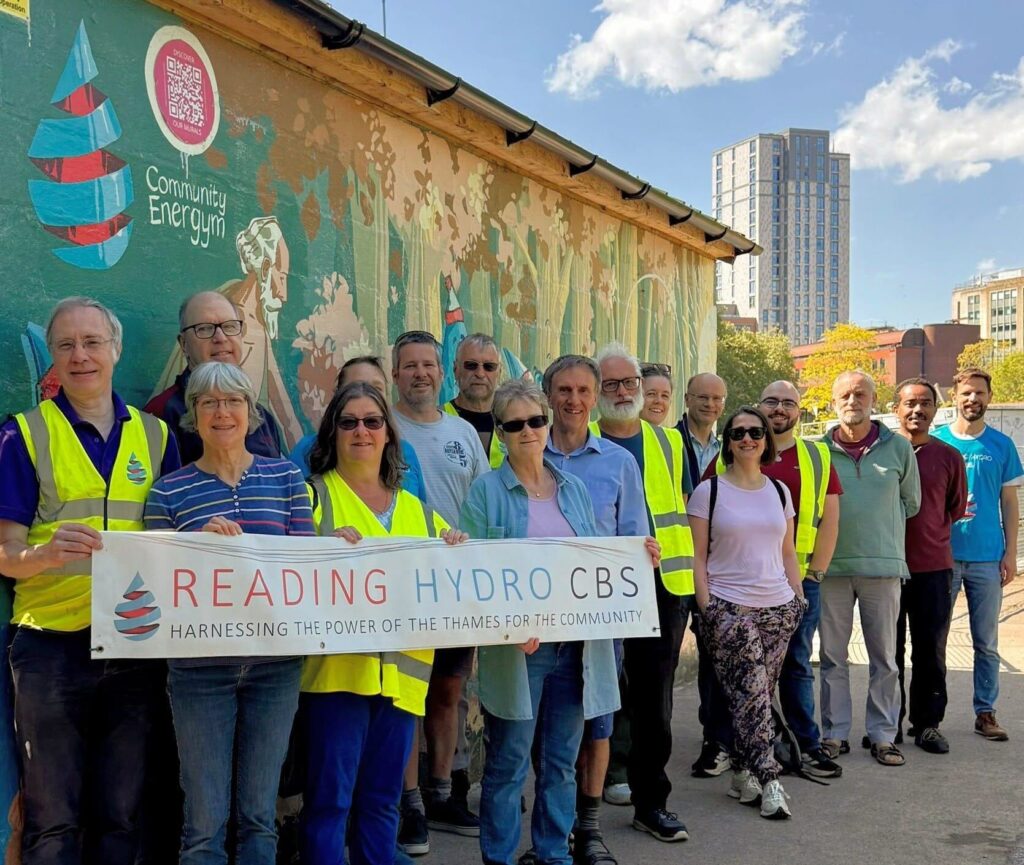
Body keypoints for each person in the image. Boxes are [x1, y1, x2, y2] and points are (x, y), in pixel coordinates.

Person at [0, 297, 180, 864]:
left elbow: (179, 542)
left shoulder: (157, 437)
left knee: (122, 814)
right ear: (53, 355)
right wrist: (45, 554)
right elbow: (5, 553)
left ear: (116, 349)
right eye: (67, 345)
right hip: (51, 643)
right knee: (52, 818)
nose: (80, 356)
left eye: (92, 342)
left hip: (134, 644)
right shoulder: (22, 435)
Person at [461, 379, 658, 865]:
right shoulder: (486, 491)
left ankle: (553, 854)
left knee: (561, 763)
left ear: (547, 423)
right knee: (507, 763)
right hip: (518, 652)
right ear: (501, 433)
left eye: (535, 420)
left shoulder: (571, 488)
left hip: (577, 648)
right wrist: (509, 627)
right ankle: (500, 858)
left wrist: (635, 557)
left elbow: (590, 559)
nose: (528, 431)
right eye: (514, 424)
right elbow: (473, 577)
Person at [143, 362, 313, 863]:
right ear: (193, 415)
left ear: (252, 413)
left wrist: (336, 547)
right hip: (198, 673)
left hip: (275, 669)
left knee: (260, 818)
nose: (223, 412)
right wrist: (190, 545)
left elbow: (306, 569)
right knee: (203, 823)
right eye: (209, 403)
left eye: (234, 400)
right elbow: (154, 578)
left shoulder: (286, 478)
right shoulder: (167, 491)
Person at [301, 381, 466, 864]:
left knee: (381, 801)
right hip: (337, 677)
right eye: (348, 422)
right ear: (332, 433)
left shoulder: (415, 508)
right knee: (330, 801)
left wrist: (456, 545)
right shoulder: (312, 497)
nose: (361, 431)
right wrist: (318, 548)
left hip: (402, 679)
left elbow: (459, 581)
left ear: (388, 435)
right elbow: (283, 571)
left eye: (373, 421)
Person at [542, 355, 650, 865]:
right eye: (564, 390)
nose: (574, 400)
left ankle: (588, 829)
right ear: (549, 396)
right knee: (550, 734)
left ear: (595, 396)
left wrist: (643, 553)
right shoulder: (525, 453)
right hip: (539, 623)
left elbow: (634, 532)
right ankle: (555, 832)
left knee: (599, 723)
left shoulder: (619, 462)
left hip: (600, 617)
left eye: (583, 390)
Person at [389, 331, 489, 851]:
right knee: (408, 694)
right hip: (403, 582)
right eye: (409, 365)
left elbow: (483, 500)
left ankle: (444, 790)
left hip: (455, 583)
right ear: (395, 373)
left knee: (449, 690)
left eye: (428, 364)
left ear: (441, 371)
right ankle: (409, 804)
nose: (420, 374)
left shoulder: (463, 434)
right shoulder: (380, 428)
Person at [589, 343, 692, 843]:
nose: (624, 391)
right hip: (593, 588)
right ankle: (578, 812)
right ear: (596, 392)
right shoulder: (573, 441)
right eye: (611, 384)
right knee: (589, 695)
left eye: (629, 382)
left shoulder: (669, 443)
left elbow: (689, 509)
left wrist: (696, 584)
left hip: (662, 584)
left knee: (655, 702)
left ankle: (652, 802)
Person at [689, 405, 805, 819]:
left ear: (766, 440)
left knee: (753, 696)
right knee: (754, 692)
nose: (747, 439)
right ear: (728, 442)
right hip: (729, 607)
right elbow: (696, 557)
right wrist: (708, 608)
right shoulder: (710, 492)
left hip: (778, 607)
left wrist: (797, 598)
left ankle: (742, 770)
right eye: (737, 433)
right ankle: (770, 778)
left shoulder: (779, 491)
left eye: (755, 432)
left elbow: (787, 550)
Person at [820, 371, 920, 766]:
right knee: (832, 656)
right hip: (832, 568)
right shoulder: (819, 451)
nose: (852, 400)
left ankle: (882, 735)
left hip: (882, 567)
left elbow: (911, 503)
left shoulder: (898, 449)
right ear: (832, 403)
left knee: (885, 658)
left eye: (860, 394)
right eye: (844, 394)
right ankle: (834, 734)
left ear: (873, 400)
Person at [756, 381, 843, 778]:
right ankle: (733, 743)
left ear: (799, 411)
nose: (779, 409)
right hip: (744, 580)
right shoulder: (741, 446)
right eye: (771, 401)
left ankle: (805, 742)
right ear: (760, 406)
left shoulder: (817, 456)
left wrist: (817, 573)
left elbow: (830, 519)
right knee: (741, 665)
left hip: (798, 580)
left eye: (788, 403)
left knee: (795, 663)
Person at [933, 367, 1021, 742]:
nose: (973, 399)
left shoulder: (1001, 446)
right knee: (934, 639)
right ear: (955, 396)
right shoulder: (935, 442)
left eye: (980, 393)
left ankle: (985, 712)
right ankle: (929, 716)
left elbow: (1009, 503)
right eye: (966, 393)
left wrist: (1010, 554)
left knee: (985, 641)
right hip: (941, 558)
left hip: (987, 558)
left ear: (988, 397)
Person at [893, 378, 968, 754]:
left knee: (929, 650)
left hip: (933, 568)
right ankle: (888, 724)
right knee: (888, 650)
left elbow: (954, 507)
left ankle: (927, 724)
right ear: (896, 409)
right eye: (909, 403)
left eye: (925, 403)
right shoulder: (885, 452)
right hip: (887, 567)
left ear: (936, 411)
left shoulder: (948, 456)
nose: (916, 410)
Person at [146, 290, 286, 464]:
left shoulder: (262, 417)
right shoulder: (161, 414)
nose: (220, 338)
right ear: (184, 344)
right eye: (204, 329)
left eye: (229, 326)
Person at [673, 371, 731, 776]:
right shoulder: (667, 441)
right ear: (687, 399)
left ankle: (716, 741)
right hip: (677, 567)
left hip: (720, 566)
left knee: (716, 659)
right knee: (660, 664)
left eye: (716, 399)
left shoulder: (731, 446)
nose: (709, 405)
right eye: (702, 397)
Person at [291, 356, 426, 500]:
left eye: (376, 388)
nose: (367, 395)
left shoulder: (405, 452)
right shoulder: (307, 450)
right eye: (356, 387)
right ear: (338, 396)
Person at [444, 333, 505, 468]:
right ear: (456, 369)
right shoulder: (436, 419)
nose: (480, 373)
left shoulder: (513, 422)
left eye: (489, 367)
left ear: (499, 372)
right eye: (471, 365)